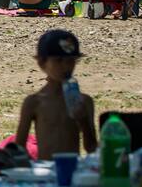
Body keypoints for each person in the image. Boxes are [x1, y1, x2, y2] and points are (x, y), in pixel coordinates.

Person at [14, 30, 97, 160]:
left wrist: (83, 120)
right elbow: (18, 147)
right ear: (42, 63)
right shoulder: (34, 102)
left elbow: (92, 147)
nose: (66, 66)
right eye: (58, 60)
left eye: (71, 61)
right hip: (45, 173)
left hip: (71, 170)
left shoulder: (85, 102)